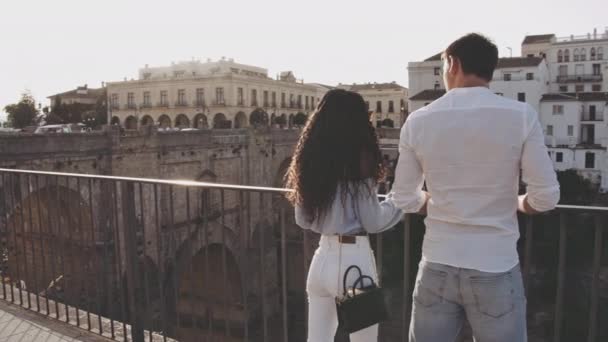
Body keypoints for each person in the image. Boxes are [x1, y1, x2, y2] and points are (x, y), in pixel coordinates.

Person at [389, 33, 560, 342]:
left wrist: (436, 202)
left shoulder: (418, 120)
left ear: (452, 63)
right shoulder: (521, 116)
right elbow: (545, 198)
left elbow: (403, 197)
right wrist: (517, 202)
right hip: (494, 265)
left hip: (437, 263)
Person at [285, 89, 403, 342]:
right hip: (354, 263)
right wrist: (399, 202)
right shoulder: (360, 158)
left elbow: (303, 219)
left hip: (321, 263)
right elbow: (374, 221)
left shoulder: (309, 159)